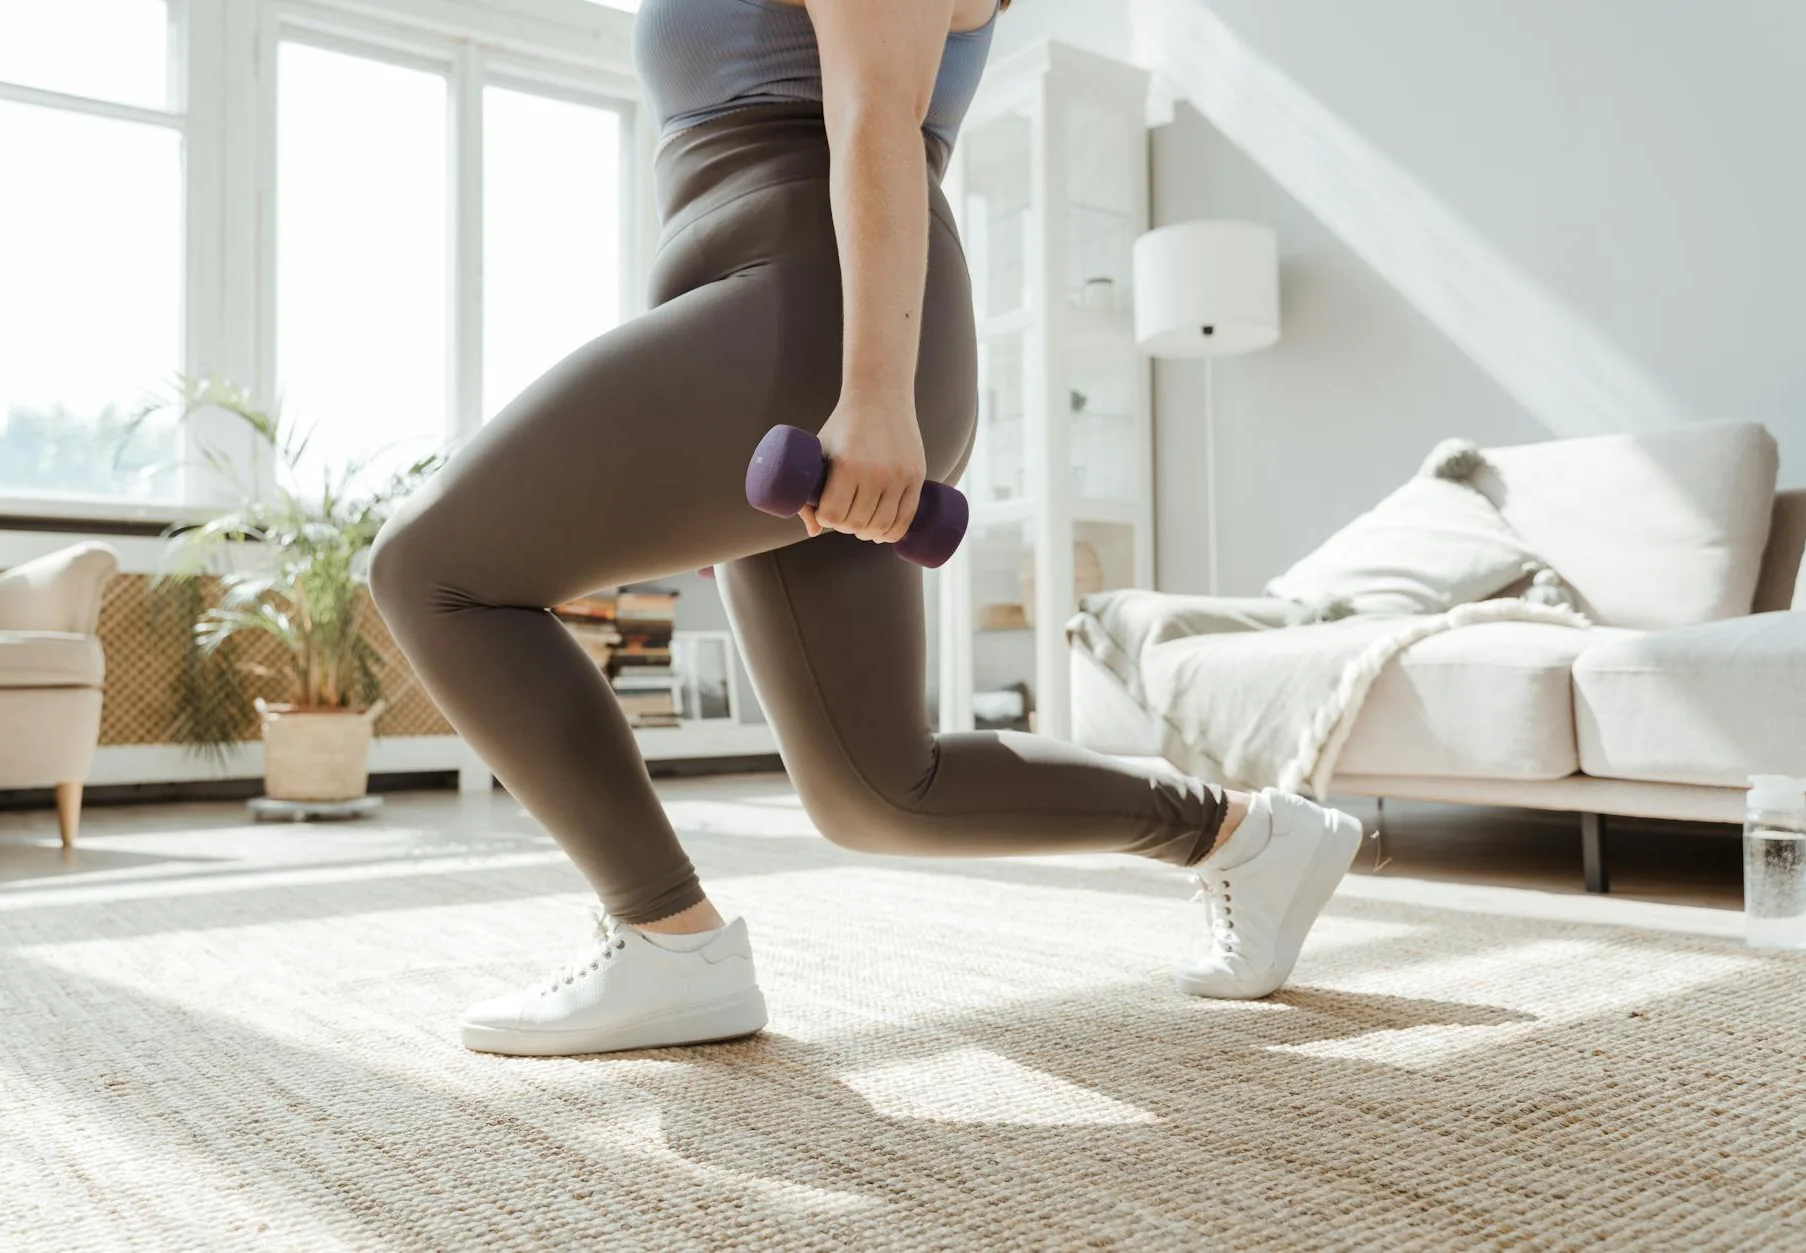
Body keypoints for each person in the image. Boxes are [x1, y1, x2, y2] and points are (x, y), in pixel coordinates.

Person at [368, 0, 1363, 1058]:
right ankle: (1247, 835)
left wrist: (874, 399)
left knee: (433, 567)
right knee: (878, 787)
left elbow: (878, 122)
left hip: (823, 319)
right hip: (762, 308)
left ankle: (667, 940)